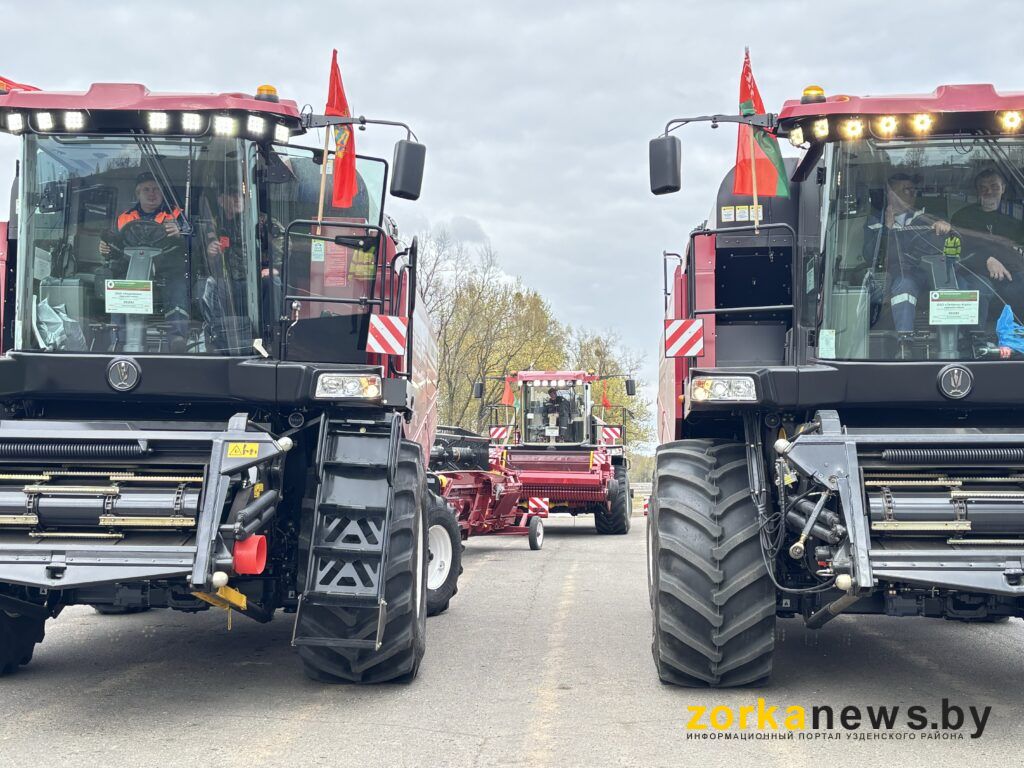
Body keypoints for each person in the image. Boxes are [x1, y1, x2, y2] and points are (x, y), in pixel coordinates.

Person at [100, 172, 190, 352]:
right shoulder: (123, 218)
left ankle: (177, 338)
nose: (152, 193)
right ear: (138, 194)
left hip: (167, 271)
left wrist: (181, 234)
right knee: (119, 288)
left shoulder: (177, 215)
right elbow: (114, 246)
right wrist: (105, 248)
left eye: (156, 189)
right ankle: (118, 340)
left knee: (179, 285)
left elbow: (195, 245)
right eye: (146, 189)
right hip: (130, 272)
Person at [862, 173, 951, 339]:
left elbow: (945, 244)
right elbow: (870, 255)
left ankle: (954, 343)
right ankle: (905, 342)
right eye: (905, 190)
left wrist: (943, 226)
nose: (912, 194)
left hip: (927, 273)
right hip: (890, 277)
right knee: (904, 284)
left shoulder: (927, 218)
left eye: (913, 190)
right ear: (890, 194)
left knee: (953, 284)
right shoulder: (875, 222)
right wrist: (887, 226)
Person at [950, 168, 1024, 329]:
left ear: (1003, 188)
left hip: (1012, 272)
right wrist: (986, 259)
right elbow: (957, 250)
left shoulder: (1017, 216)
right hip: (974, 272)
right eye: (983, 187)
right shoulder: (962, 217)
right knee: (977, 292)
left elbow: (1019, 251)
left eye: (994, 186)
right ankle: (975, 342)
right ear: (977, 191)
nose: (988, 191)